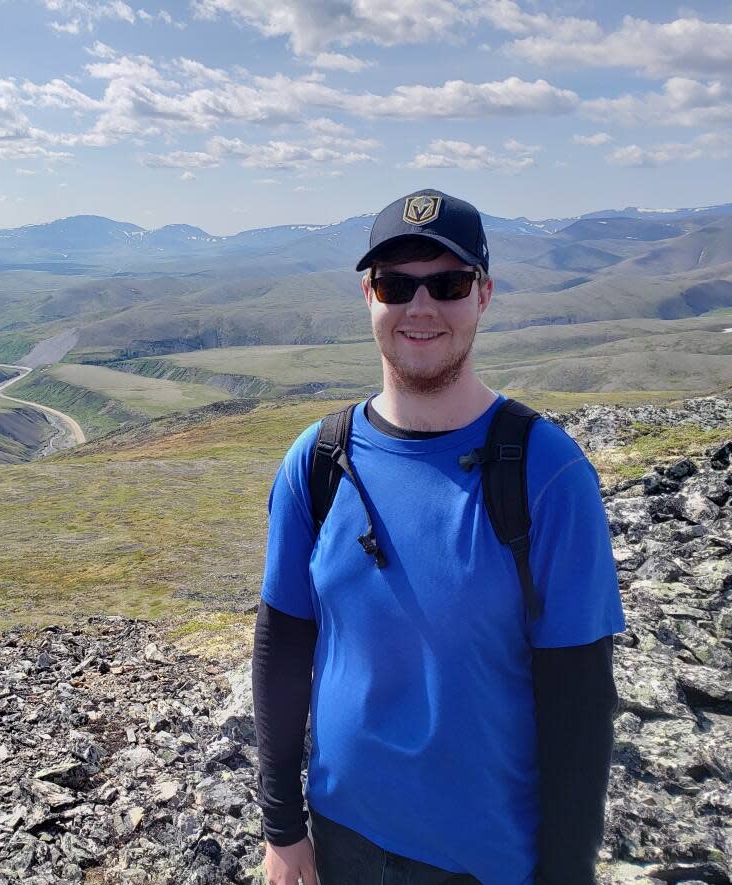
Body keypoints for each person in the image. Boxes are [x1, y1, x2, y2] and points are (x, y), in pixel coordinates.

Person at [252, 189, 626, 885]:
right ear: (368, 296)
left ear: (484, 295)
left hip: (483, 863)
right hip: (339, 840)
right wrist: (282, 827)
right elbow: (283, 640)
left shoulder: (548, 474)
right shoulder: (319, 460)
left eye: (448, 284)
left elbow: (579, 705)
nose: (420, 308)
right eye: (396, 284)